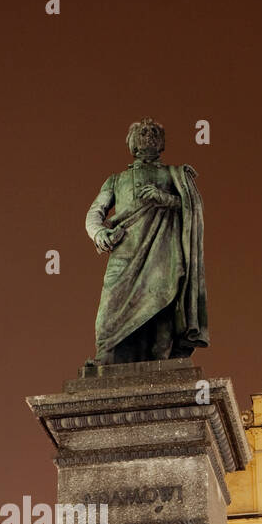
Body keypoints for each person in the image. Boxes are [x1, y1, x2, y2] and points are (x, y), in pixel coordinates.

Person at [85, 117, 208, 365]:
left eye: (153, 133)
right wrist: (98, 233)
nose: (148, 136)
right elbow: (95, 211)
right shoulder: (116, 179)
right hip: (125, 248)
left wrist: (164, 198)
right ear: (132, 144)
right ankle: (105, 354)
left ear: (161, 144)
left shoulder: (174, 175)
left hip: (164, 249)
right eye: (142, 133)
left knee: (162, 300)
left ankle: (161, 358)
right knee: (109, 305)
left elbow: (192, 210)